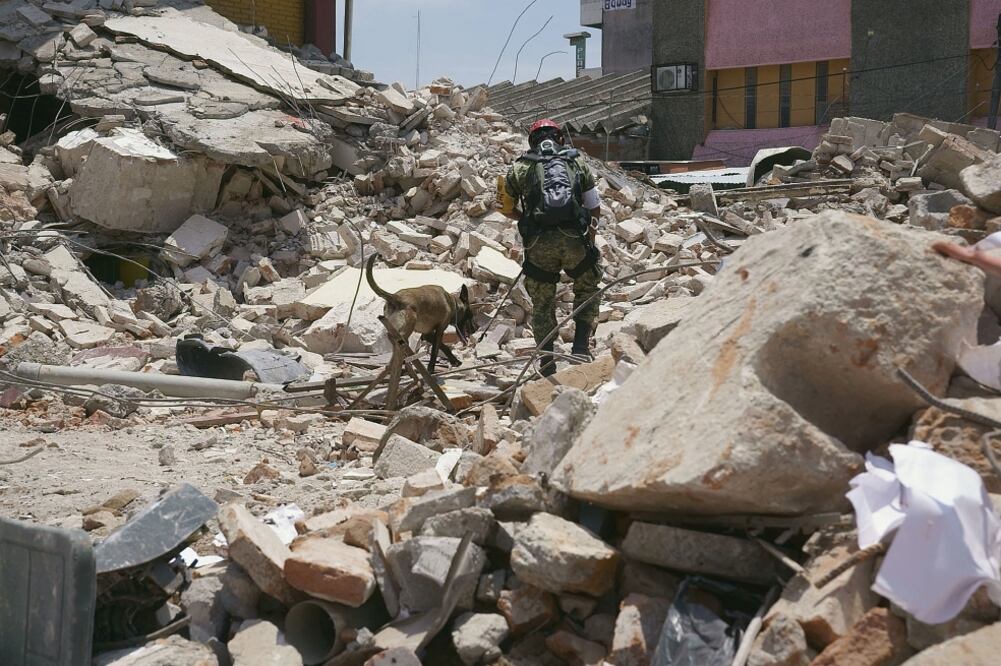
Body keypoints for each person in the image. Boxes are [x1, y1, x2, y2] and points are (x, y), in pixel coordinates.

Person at [500, 119, 603, 376]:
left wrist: (526, 218)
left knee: (543, 301)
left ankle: (547, 361)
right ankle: (579, 347)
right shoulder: (577, 162)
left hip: (539, 244)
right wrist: (590, 238)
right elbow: (594, 206)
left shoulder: (519, 168)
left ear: (531, 141)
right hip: (574, 240)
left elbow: (504, 206)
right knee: (587, 287)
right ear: (560, 139)